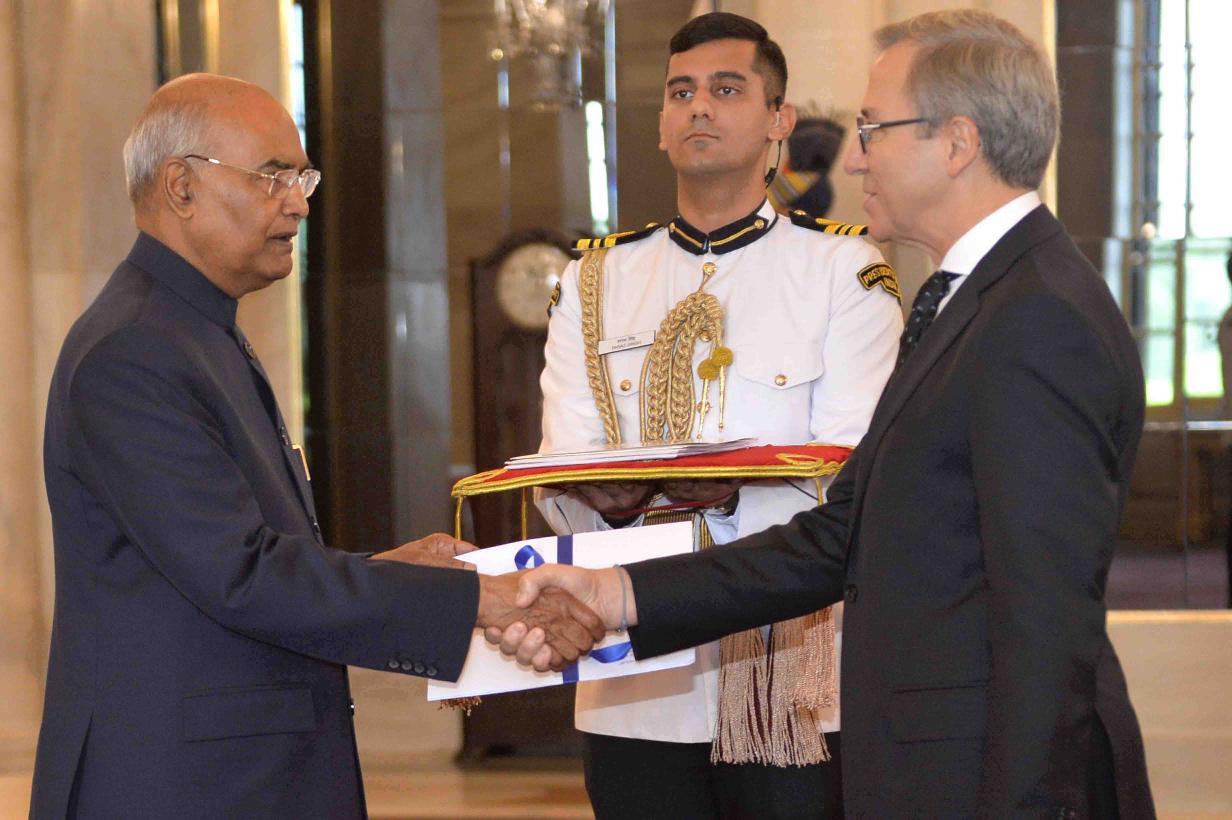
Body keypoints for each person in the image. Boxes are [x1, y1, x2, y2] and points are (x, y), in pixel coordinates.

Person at [502, 9, 1157, 818]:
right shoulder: (983, 301)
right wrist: (616, 593)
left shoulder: (1033, 316)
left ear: (957, 143)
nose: (852, 155)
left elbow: (1044, 617)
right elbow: (840, 533)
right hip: (832, 733)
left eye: (873, 128)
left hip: (973, 770)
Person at [31, 73, 602, 818]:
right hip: (181, 785)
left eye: (302, 177)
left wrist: (388, 572)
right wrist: (473, 601)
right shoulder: (135, 350)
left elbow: (229, 558)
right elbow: (242, 576)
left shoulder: (192, 330)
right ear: (181, 187)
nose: (299, 202)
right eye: (272, 175)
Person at [536, 12, 901, 819]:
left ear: (779, 120)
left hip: (790, 681)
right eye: (681, 92)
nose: (699, 106)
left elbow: (854, 479)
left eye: (727, 90)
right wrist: (612, 502)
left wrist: (719, 495)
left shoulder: (843, 271)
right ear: (661, 124)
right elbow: (561, 466)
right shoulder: (593, 281)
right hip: (633, 682)